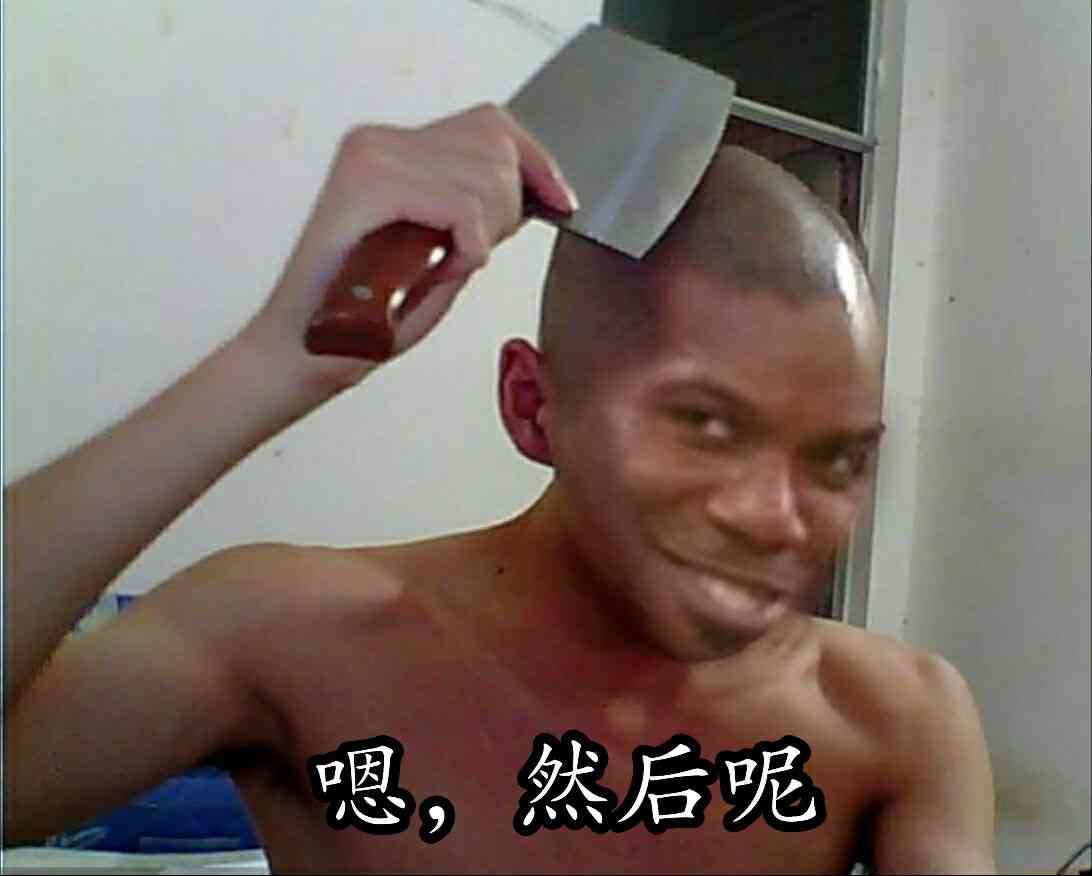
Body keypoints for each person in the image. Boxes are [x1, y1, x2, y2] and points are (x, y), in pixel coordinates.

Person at [3, 104, 997, 874]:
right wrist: (274, 362)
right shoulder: (294, 640)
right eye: (705, 426)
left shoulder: (896, 718)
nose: (779, 522)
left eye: (837, 459)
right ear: (532, 405)